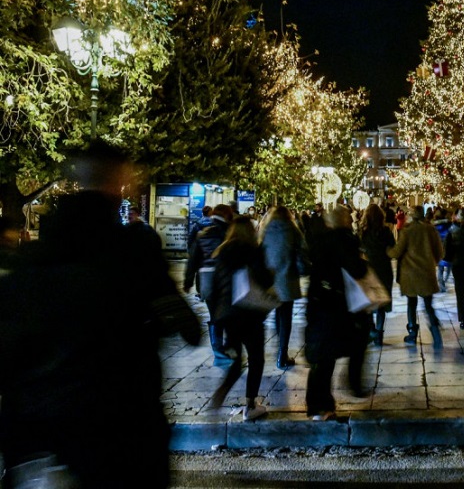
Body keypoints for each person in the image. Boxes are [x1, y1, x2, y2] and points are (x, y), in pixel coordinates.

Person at [0, 142, 199, 488]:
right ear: (120, 185)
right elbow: (187, 326)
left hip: (46, 443)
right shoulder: (135, 255)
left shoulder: (30, 262)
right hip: (123, 437)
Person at [304, 206, 371, 420]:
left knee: (323, 357)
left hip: (318, 300)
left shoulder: (319, 239)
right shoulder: (346, 240)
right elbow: (357, 270)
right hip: (339, 303)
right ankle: (351, 385)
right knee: (352, 343)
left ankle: (319, 405)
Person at [207, 215, 274, 420]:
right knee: (256, 359)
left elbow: (213, 288)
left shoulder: (221, 252)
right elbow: (264, 279)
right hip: (250, 314)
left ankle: (221, 393)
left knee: (236, 362)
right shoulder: (252, 251)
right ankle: (250, 405)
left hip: (229, 316)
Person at [259, 205, 308, 370]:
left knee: (276, 314)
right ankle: (282, 354)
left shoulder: (265, 231)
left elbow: (260, 252)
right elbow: (302, 252)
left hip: (269, 279)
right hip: (287, 278)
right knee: (286, 316)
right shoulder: (293, 230)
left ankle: (278, 350)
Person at [185, 203, 235, 363]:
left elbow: (193, 258)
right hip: (225, 279)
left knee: (214, 313)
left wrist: (188, 280)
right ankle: (227, 344)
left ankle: (217, 348)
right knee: (228, 313)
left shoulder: (202, 231)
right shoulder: (229, 231)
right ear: (227, 215)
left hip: (206, 279)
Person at [388, 205, 444, 347]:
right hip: (427, 272)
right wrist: (432, 263)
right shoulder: (430, 229)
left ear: (412, 215)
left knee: (411, 304)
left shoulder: (408, 231)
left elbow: (397, 251)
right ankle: (435, 333)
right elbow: (439, 251)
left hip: (410, 274)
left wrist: (388, 251)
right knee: (428, 305)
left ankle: (412, 333)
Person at [358, 203, 395, 346]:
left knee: (368, 302)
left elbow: (359, 248)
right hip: (384, 269)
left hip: (368, 269)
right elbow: (392, 248)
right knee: (381, 304)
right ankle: (379, 334)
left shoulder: (363, 232)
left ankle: (372, 330)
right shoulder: (385, 231)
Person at [432, 207, 453, 292]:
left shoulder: (435, 225)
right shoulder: (449, 224)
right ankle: (443, 282)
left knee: (440, 268)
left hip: (439, 248)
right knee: (448, 268)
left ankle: (441, 285)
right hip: (448, 248)